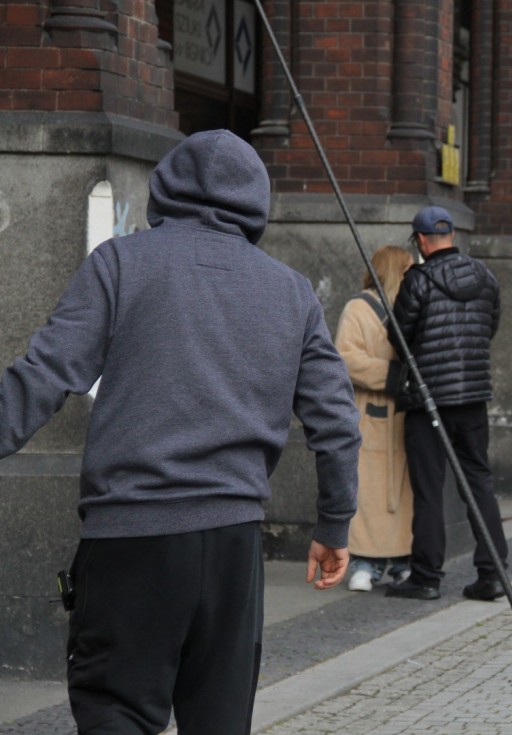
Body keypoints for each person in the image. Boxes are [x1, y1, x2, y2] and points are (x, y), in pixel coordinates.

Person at [0, 130, 361, 734]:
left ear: (165, 188)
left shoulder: (121, 262)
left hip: (131, 535)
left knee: (116, 712)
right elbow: (337, 419)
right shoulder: (291, 291)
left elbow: (42, 376)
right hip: (233, 543)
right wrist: (333, 524)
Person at [385, 205, 509, 602]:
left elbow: (399, 338)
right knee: (479, 481)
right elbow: (490, 326)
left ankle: (426, 577)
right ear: (451, 235)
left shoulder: (417, 281)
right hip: (473, 396)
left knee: (429, 489)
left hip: (429, 401)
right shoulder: (484, 275)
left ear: (421, 240)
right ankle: (493, 573)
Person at [335, 246, 416, 591]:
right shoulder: (358, 308)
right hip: (371, 414)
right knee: (368, 491)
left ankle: (402, 560)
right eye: (408, 269)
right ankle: (364, 562)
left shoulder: (411, 305)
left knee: (404, 492)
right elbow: (344, 356)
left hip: (405, 414)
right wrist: (392, 374)